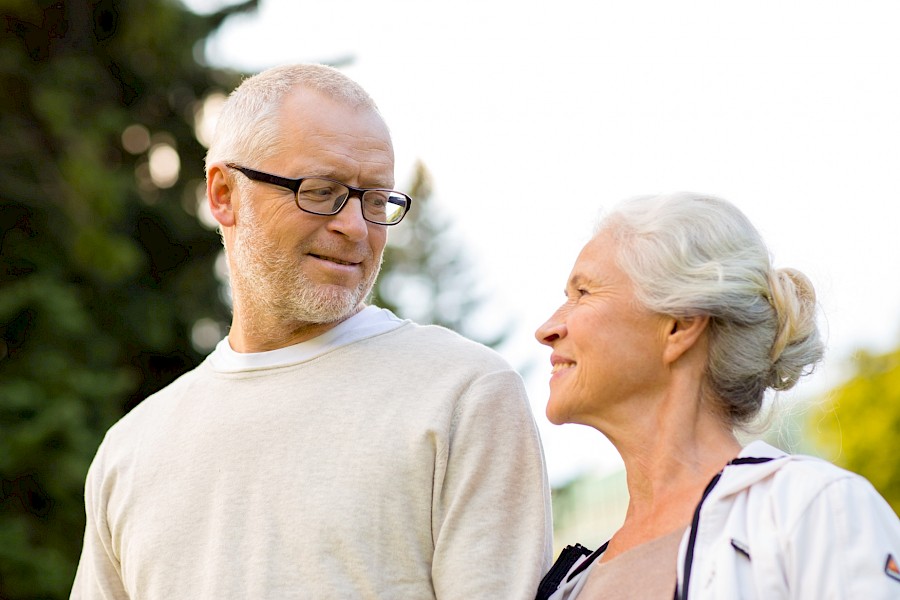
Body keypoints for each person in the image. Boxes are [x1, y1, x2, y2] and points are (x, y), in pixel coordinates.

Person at [71, 64, 552, 599]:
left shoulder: (464, 394)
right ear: (224, 194)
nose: (356, 227)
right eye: (321, 192)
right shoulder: (131, 450)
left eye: (376, 200)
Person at [533, 192, 900, 599]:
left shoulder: (813, 511)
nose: (547, 328)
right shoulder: (569, 585)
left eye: (582, 293)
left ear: (681, 324)